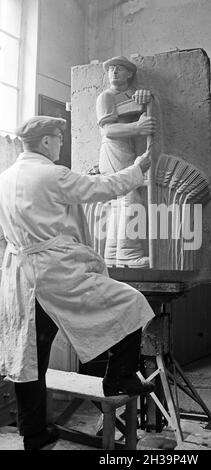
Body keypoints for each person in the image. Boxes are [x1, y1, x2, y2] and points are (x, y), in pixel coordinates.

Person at [0, 116, 155, 450]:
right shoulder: (52, 174)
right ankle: (118, 377)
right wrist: (138, 168)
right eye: (57, 137)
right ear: (44, 141)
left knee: (32, 360)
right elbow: (103, 189)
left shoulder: (6, 177)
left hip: (19, 275)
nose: (60, 142)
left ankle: (33, 434)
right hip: (54, 273)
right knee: (132, 302)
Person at [96, 56, 156, 268]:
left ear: (129, 74)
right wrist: (137, 128)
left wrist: (147, 98)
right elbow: (108, 130)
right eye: (111, 69)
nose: (113, 72)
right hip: (113, 150)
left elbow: (142, 105)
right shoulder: (106, 97)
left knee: (120, 202)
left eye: (119, 69)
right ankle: (129, 254)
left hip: (126, 150)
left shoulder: (128, 95)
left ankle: (112, 254)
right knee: (131, 198)